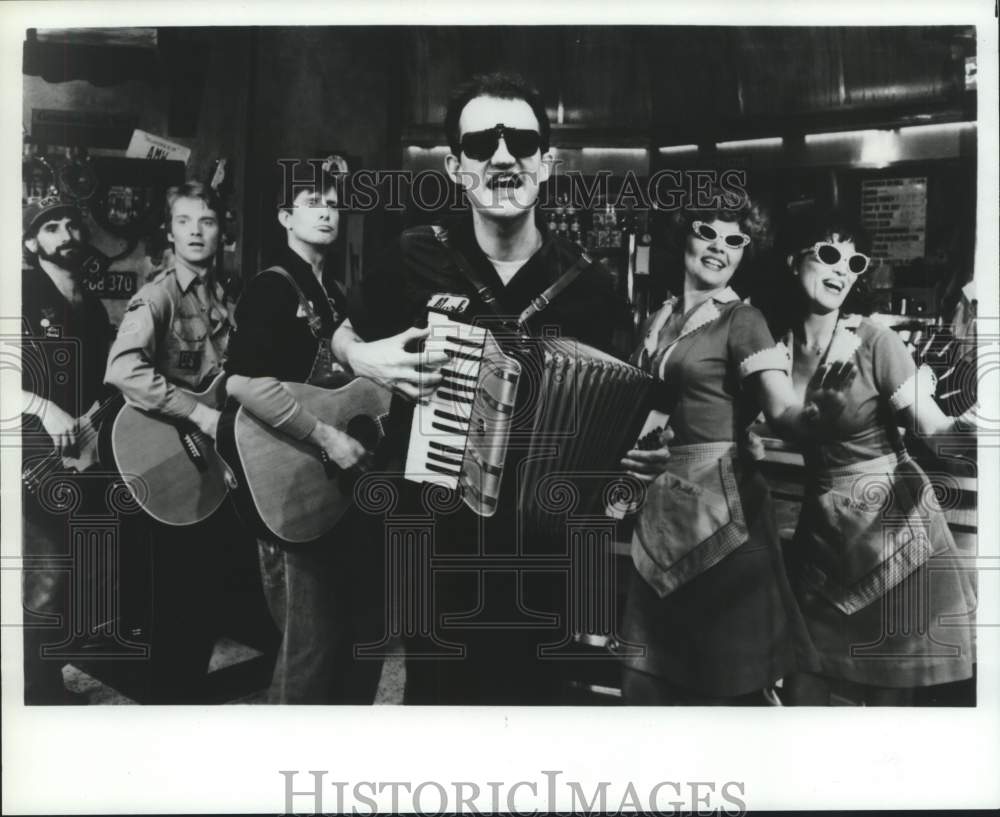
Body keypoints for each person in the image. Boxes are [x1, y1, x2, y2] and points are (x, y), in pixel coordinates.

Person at [332, 71, 631, 704]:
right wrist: (366, 358)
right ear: (454, 166)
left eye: (521, 142)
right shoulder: (414, 253)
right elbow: (342, 335)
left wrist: (638, 453)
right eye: (480, 145)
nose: (502, 157)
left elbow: (623, 420)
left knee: (536, 720)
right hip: (435, 548)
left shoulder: (593, 289)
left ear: (546, 164)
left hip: (545, 558)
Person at [616, 192, 857, 705]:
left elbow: (780, 409)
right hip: (660, 518)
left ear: (748, 250)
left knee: (726, 690)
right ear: (683, 234)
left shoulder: (744, 321)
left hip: (724, 524)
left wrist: (812, 417)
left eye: (735, 240)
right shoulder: (659, 318)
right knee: (643, 682)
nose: (719, 248)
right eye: (707, 232)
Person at [766, 209, 977, 706]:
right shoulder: (771, 341)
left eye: (854, 261)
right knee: (804, 691)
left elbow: (935, 432)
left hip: (894, 539)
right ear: (793, 259)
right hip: (824, 539)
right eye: (830, 253)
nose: (842, 269)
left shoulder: (874, 341)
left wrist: (977, 429)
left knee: (887, 706)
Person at [223, 171, 384, 704]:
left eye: (334, 204)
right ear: (284, 217)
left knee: (340, 642)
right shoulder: (272, 286)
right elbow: (242, 382)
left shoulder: (328, 291)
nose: (328, 212)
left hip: (323, 489)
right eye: (313, 203)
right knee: (307, 653)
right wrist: (326, 437)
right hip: (287, 480)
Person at [104, 181, 237, 703]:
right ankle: (169, 706)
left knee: (206, 587)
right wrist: (198, 413)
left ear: (221, 229)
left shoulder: (226, 295)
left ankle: (184, 697)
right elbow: (122, 370)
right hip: (169, 455)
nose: (197, 231)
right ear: (170, 231)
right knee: (177, 595)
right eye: (185, 222)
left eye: (206, 221)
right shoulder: (157, 295)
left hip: (211, 459)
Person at [20, 194, 115, 704]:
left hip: (80, 454)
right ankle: (35, 691)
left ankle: (46, 677)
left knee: (72, 570)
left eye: (71, 225)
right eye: (52, 227)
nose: (66, 235)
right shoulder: (17, 291)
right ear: (32, 242)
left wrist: (95, 416)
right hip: (27, 450)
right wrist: (43, 406)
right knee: (47, 570)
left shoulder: (92, 305)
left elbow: (105, 381)